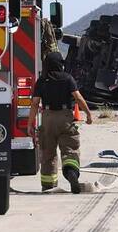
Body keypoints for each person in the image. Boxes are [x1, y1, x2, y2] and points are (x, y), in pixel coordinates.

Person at [28, 51, 93, 193]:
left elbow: (34, 104)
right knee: (70, 149)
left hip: (47, 117)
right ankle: (71, 173)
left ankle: (48, 185)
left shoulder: (41, 81)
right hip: (65, 117)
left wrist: (30, 123)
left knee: (47, 153)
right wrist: (88, 114)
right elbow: (78, 98)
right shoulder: (68, 78)